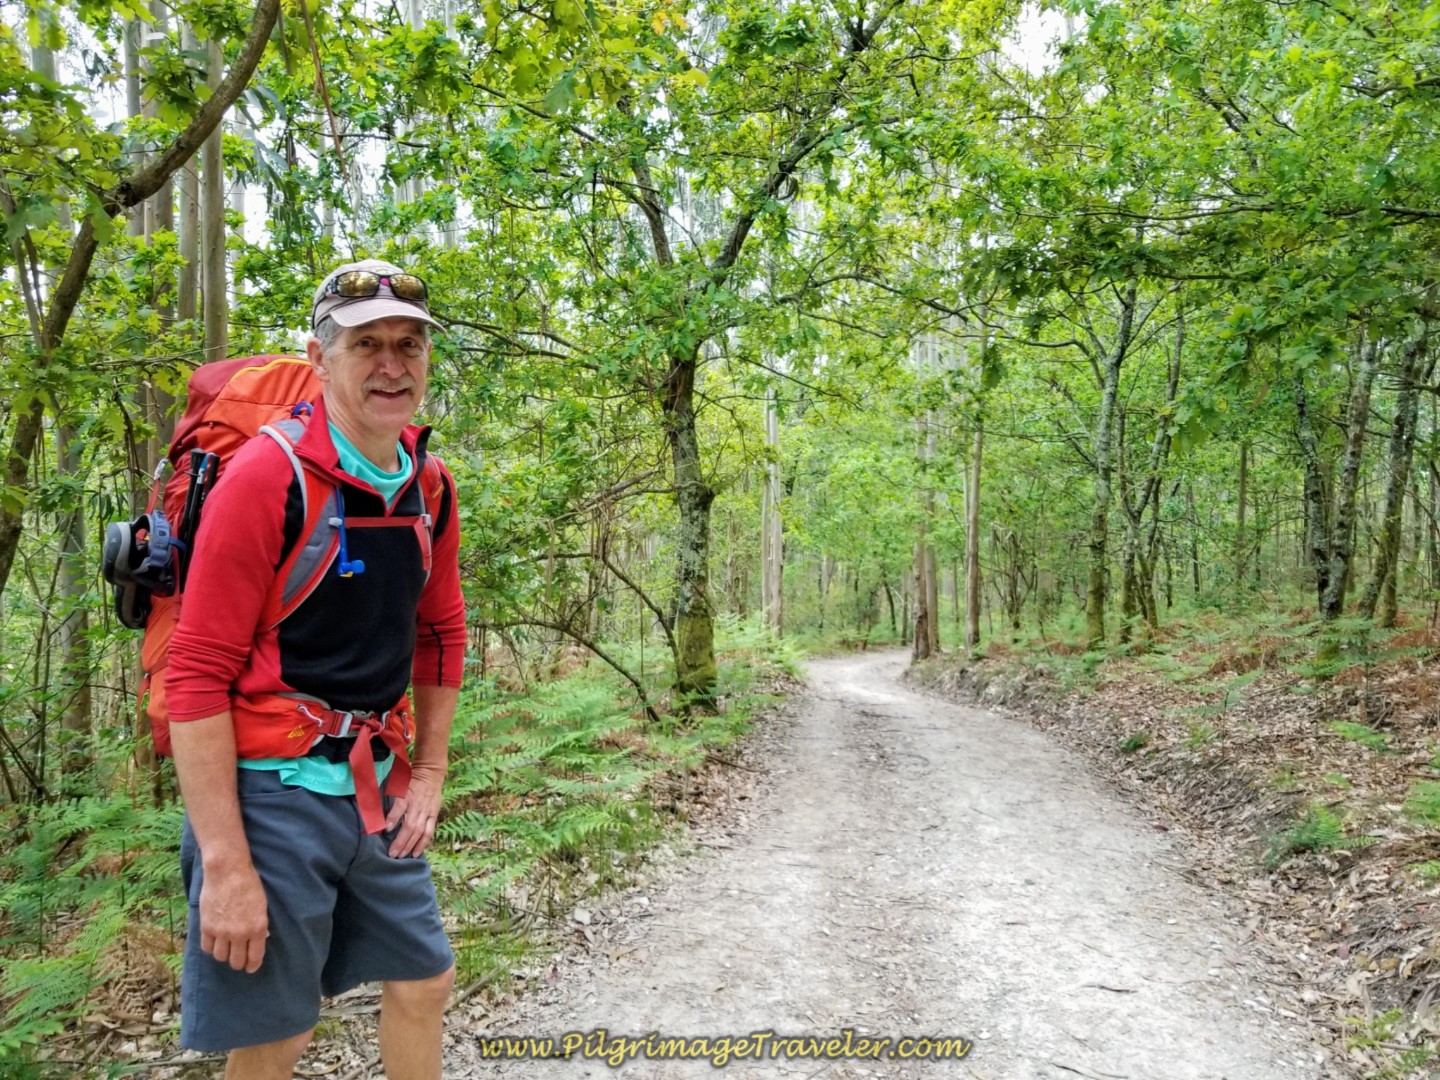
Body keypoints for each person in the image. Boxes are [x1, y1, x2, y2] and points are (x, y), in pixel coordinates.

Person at [166, 260, 466, 1080]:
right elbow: (194, 674)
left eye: (409, 343)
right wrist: (225, 865)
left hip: (378, 783)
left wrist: (432, 771)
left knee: (425, 979)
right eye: (367, 343)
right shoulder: (266, 477)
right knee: (279, 1028)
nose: (393, 364)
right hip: (270, 793)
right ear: (320, 355)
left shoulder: (427, 485)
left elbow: (441, 633)